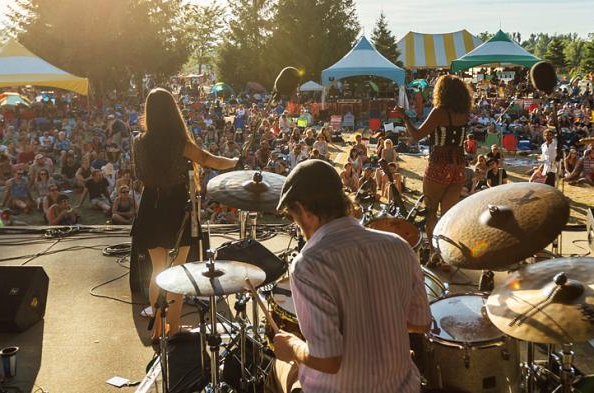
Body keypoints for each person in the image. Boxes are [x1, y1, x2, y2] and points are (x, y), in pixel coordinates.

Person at [270, 159, 430, 392]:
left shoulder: (309, 265)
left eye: (295, 218)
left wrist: (293, 347)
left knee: (279, 365)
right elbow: (420, 323)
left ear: (303, 210)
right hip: (401, 387)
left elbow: (328, 360)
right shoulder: (399, 246)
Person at [132, 88, 238, 336]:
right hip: (176, 209)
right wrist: (234, 162)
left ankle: (157, 329)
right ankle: (174, 328)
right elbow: (210, 160)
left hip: (150, 206)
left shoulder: (139, 142)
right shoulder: (179, 143)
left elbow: (140, 175)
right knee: (177, 272)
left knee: (157, 271)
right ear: (172, 112)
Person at [403, 75, 472, 238]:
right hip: (459, 165)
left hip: (439, 164)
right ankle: (446, 253)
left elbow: (417, 135)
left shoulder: (439, 112)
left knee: (431, 212)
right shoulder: (464, 113)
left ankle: (435, 255)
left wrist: (404, 117)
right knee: (447, 215)